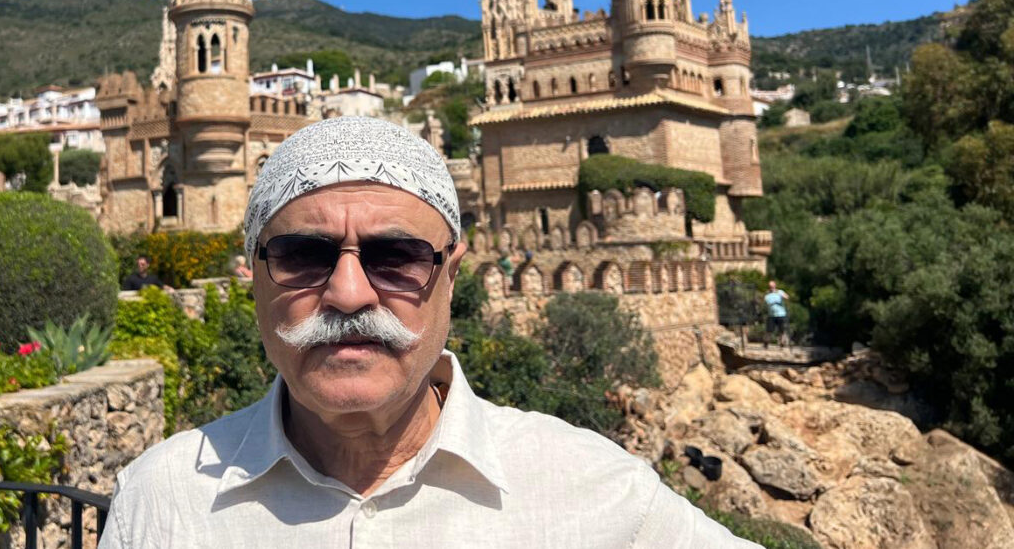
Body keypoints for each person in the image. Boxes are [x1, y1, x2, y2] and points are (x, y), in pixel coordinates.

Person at [100, 117, 754, 548]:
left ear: (452, 277)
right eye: (303, 255)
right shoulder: (158, 503)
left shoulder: (596, 492)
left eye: (396, 257)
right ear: (255, 278)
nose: (349, 293)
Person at [765, 280, 790, 348]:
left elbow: (787, 297)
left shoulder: (780, 292)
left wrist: (781, 294)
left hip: (781, 314)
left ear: (775, 286)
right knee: (769, 330)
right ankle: (766, 343)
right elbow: (768, 303)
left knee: (782, 330)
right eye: (770, 286)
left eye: (772, 286)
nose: (771, 287)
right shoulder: (767, 295)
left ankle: (782, 343)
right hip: (772, 315)